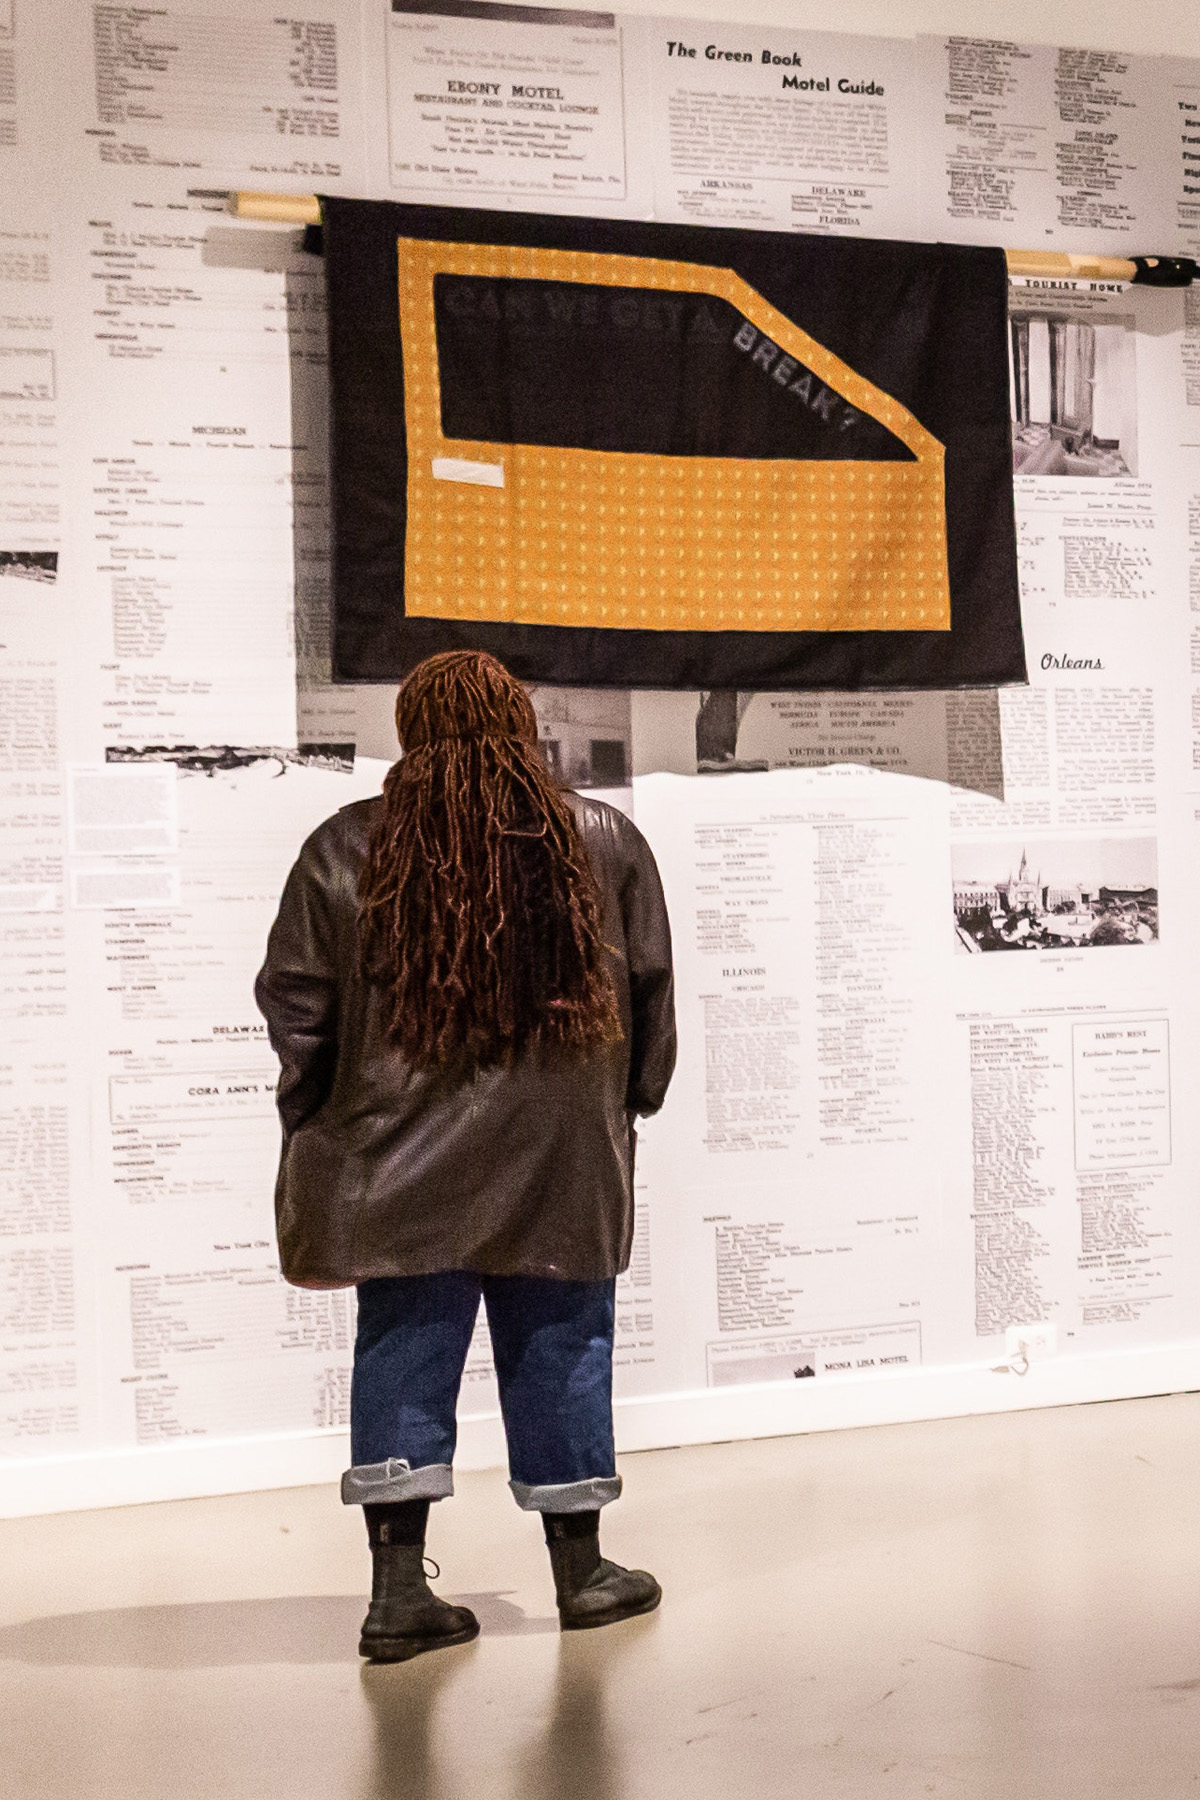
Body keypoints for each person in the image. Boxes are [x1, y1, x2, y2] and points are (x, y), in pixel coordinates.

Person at [255, 650, 676, 1663]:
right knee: (563, 1344)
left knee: (403, 1349)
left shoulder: (343, 845)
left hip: (389, 1159)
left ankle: (399, 1596)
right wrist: (630, 1104)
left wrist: (317, 1112)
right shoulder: (602, 840)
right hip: (560, 1157)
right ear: (518, 724)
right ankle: (582, 1578)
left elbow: (296, 1003)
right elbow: (651, 994)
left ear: (409, 729)